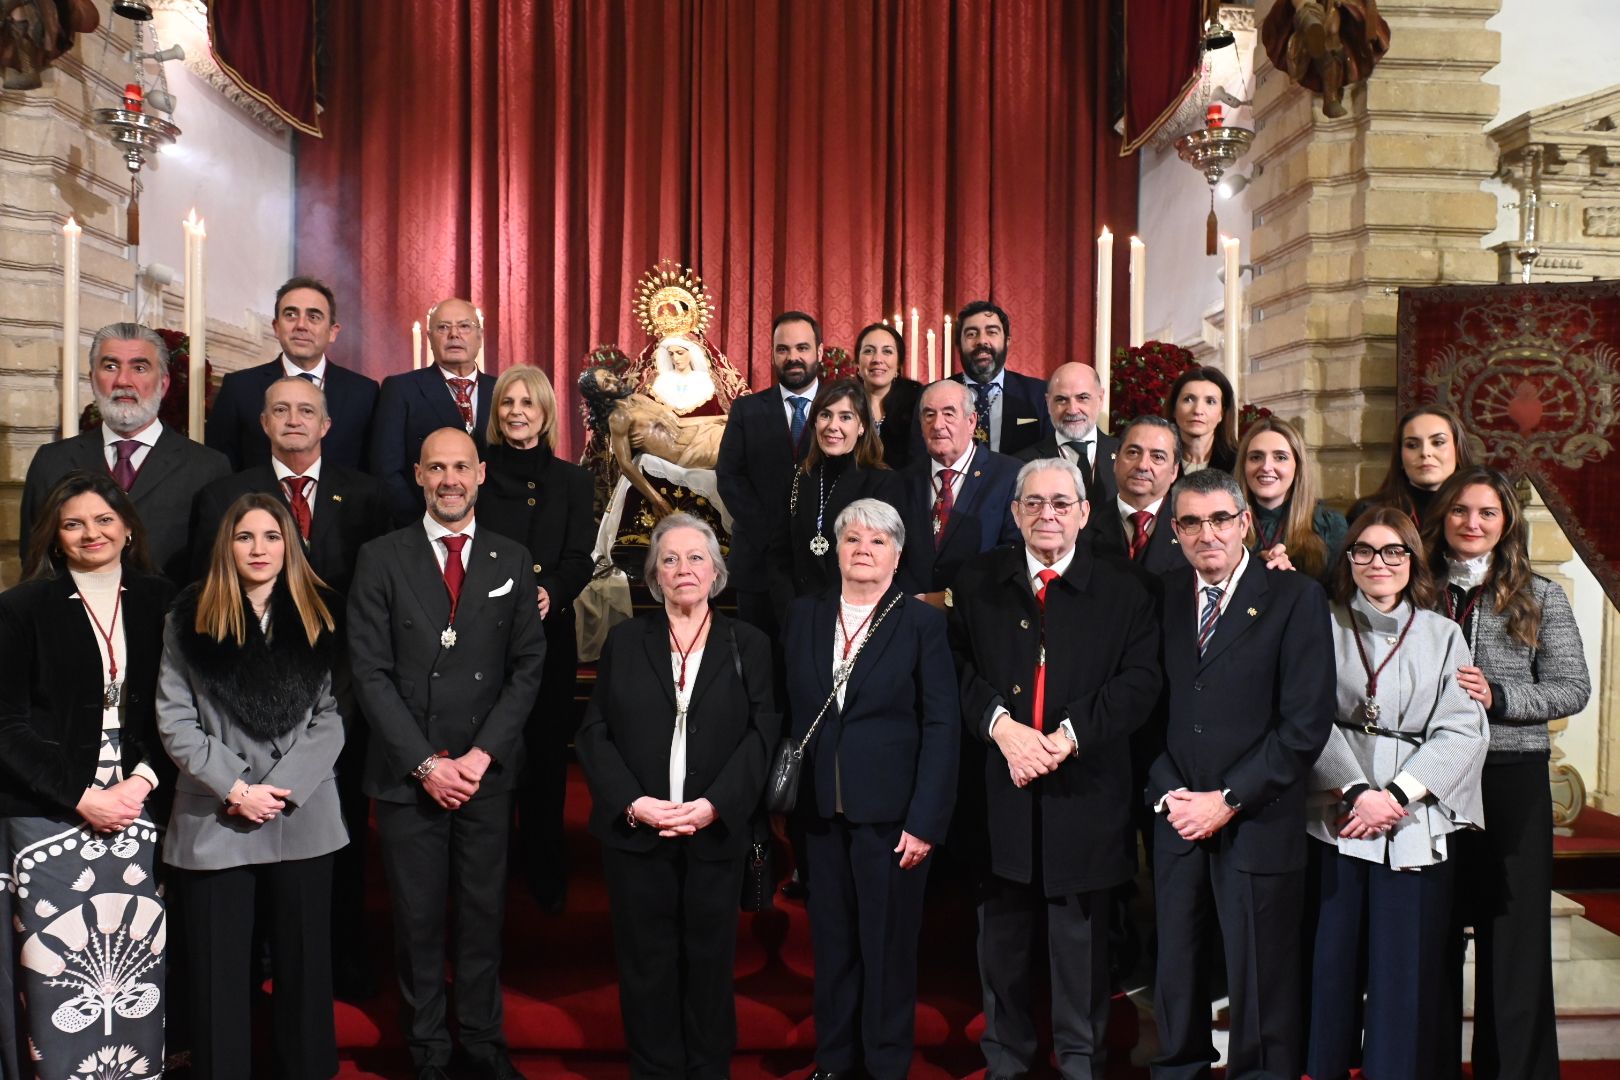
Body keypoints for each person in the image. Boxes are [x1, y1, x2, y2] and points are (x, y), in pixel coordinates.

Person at [947, 458, 1162, 1079]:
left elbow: (1141, 682)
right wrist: (1004, 730)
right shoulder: (980, 579)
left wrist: (1066, 739)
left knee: (1081, 960)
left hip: (1086, 795)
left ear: (1084, 513)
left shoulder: (1125, 590)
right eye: (1034, 503)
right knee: (1002, 958)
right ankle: (1006, 1066)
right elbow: (955, 667)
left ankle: (1079, 1066)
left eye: (1061, 504)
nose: (1048, 515)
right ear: (1014, 513)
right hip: (1000, 794)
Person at [347, 427, 545, 1080]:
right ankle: (429, 1052)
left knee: (484, 918)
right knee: (418, 922)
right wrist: (427, 764)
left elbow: (527, 666)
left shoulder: (511, 559)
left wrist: (482, 756)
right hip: (410, 776)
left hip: (486, 773)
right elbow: (369, 673)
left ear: (482, 474)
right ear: (419, 476)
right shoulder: (381, 557)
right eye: (438, 468)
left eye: (462, 467)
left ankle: (484, 1046)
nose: (451, 479)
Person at [190, 374, 391, 997]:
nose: (295, 419)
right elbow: (203, 602)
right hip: (243, 706)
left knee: (339, 838)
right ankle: (255, 968)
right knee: (247, 843)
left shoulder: (369, 496)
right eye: (281, 409)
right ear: (264, 422)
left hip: (339, 698)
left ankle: (337, 964)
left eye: (307, 410)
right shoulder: (224, 494)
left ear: (327, 425)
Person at [1148, 467, 1336, 1080]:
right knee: (1176, 963)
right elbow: (1148, 706)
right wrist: (1171, 793)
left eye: (1221, 519)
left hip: (1257, 816)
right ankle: (1180, 1067)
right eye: (1193, 522)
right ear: (1175, 530)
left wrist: (1227, 799)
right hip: (1178, 813)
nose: (1208, 534)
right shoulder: (1163, 595)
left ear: (1245, 523)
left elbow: (1305, 724)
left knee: (1260, 973)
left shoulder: (1295, 597)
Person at [575, 514, 778, 1079]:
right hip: (638, 832)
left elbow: (764, 734)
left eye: (696, 558)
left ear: (716, 571)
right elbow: (594, 733)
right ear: (653, 575)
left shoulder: (750, 644)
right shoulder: (624, 640)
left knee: (711, 965)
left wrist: (714, 805)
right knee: (646, 966)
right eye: (670, 559)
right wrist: (633, 803)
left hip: (715, 831)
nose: (684, 569)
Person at [156, 492, 347, 1080]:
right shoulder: (187, 617)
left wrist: (281, 787)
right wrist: (237, 788)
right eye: (245, 537)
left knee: (304, 969)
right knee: (217, 975)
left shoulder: (323, 613)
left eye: (270, 536)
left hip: (301, 811)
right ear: (227, 546)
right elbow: (174, 720)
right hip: (216, 815)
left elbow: (334, 715)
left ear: (289, 543)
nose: (258, 548)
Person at [0, 472, 174, 1080]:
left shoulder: (164, 600)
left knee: (138, 958)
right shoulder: (21, 607)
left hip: (143, 801)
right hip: (47, 810)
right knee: (59, 968)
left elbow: (181, 708)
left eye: (104, 519)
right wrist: (81, 796)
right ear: (54, 536)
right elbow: (6, 726)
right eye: (73, 523)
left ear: (128, 528)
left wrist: (143, 781)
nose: (90, 533)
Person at [1304, 506, 1486, 1080]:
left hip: (1410, 823)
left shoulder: (1443, 633)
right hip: (1338, 814)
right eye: (1364, 551)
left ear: (1413, 560)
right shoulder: (1323, 624)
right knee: (1330, 964)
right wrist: (1358, 791)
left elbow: (1462, 728)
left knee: (1402, 971)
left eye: (1392, 552)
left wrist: (1397, 797)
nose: (1378, 563)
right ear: (1348, 559)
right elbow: (1306, 716)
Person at [1423, 466, 1591, 1080]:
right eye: (1461, 511)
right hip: (1431, 778)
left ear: (1505, 524)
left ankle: (1514, 1070)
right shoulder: (1416, 586)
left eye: (1486, 513)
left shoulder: (1541, 595)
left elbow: (1574, 688)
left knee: (1512, 937)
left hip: (1511, 774)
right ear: (1443, 519)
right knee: (1432, 928)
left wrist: (1500, 695)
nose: (1472, 523)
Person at [782, 499, 958, 1080]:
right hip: (818, 814)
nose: (863, 548)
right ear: (836, 548)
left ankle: (884, 1066)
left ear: (897, 555)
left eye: (878, 541)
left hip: (892, 818)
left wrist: (926, 819)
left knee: (886, 950)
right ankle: (834, 1063)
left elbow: (941, 724)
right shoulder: (803, 616)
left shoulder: (921, 623)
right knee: (831, 946)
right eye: (853, 538)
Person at [478, 364, 595, 912]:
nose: (517, 411)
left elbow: (580, 559)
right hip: (481, 636)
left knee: (546, 754)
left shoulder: (573, 479)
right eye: (507, 403)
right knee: (490, 749)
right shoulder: (475, 472)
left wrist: (551, 590)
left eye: (528, 402)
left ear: (546, 412)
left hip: (548, 636)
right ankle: (490, 869)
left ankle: (546, 866)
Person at [19, 322, 230, 581]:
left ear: (163, 384)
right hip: (73, 616)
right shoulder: (52, 461)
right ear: (93, 378)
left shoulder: (207, 467)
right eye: (110, 366)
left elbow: (215, 568)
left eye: (139, 368)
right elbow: (34, 559)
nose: (123, 380)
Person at [715, 310, 821, 642]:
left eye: (802, 348)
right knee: (759, 664)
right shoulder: (747, 409)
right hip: (757, 562)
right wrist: (771, 533)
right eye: (783, 349)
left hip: (821, 564)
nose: (793, 357)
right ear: (773, 353)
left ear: (819, 350)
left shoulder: (841, 408)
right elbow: (729, 476)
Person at [205, 275, 380, 471]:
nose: (301, 325)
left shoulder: (364, 392)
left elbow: (372, 471)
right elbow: (221, 468)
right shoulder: (239, 388)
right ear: (276, 327)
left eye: (313, 316)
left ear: (333, 331)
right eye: (290, 315)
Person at [781, 379, 923, 602]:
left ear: (862, 426)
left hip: (858, 612)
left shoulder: (885, 483)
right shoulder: (801, 477)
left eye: (845, 417)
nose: (832, 426)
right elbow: (780, 554)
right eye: (825, 415)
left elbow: (893, 561)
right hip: (801, 613)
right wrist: (791, 613)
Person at [369, 298, 498, 524]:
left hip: (493, 527)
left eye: (464, 326)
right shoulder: (401, 389)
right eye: (443, 327)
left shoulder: (501, 390)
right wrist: (426, 524)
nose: (454, 334)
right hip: (420, 526)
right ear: (429, 338)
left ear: (480, 336)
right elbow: (386, 470)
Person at [903, 379, 1021, 606]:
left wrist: (948, 600)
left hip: (979, 619)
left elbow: (1011, 555)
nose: (937, 425)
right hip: (912, 620)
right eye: (929, 415)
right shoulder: (902, 480)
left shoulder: (1010, 476)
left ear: (971, 421)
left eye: (949, 414)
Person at [1235, 415, 1347, 578]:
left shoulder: (1328, 525)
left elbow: (1338, 597)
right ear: (1244, 466)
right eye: (1256, 457)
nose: (1266, 467)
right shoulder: (1225, 524)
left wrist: (1294, 583)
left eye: (1280, 457)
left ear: (1298, 467)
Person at [950, 299, 1051, 456]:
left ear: (1007, 341)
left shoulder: (1039, 394)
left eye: (991, 332)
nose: (982, 340)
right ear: (958, 344)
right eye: (971, 334)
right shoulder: (933, 395)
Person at [1348, 404, 1474, 527]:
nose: (1425, 452)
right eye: (1412, 445)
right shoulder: (1367, 512)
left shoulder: (1479, 513)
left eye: (1438, 442)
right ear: (1400, 456)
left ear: (1458, 451)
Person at [1089, 416, 1185, 576]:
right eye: (1133, 452)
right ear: (1116, 461)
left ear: (1174, 471)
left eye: (1157, 457)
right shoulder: (1084, 527)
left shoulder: (1192, 529)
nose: (1142, 465)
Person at [1015, 361, 1120, 507]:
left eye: (1082, 398)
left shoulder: (1125, 455)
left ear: (1101, 398)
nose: (1072, 410)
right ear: (1048, 402)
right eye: (1061, 399)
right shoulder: (1022, 463)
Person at [854, 321, 925, 469]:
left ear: (899, 364)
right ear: (858, 364)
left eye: (887, 351)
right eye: (868, 351)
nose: (877, 359)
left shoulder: (918, 402)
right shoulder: (844, 402)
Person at [1165, 366, 1238, 475]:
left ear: (1221, 413)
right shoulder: (1158, 460)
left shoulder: (1239, 462)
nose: (1198, 410)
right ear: (1174, 409)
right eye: (1188, 399)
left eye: (1210, 401)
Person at [645, 333, 729, 416]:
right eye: (671, 354)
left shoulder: (703, 380)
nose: (675, 358)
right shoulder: (662, 381)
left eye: (680, 353)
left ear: (691, 353)